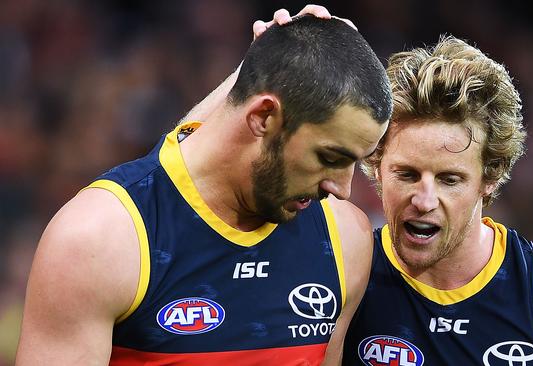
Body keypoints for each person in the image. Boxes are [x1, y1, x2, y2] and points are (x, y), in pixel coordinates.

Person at [16, 7, 392, 366]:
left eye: (356, 162)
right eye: (330, 157)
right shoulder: (100, 241)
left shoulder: (343, 237)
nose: (343, 189)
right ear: (263, 116)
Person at [342, 36, 533, 365]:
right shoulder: (336, 279)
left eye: (449, 180)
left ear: (490, 178)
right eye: (407, 175)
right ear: (377, 168)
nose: (424, 201)